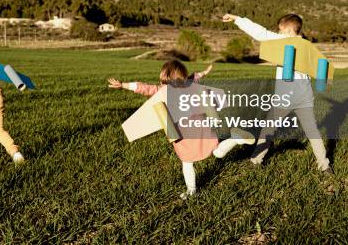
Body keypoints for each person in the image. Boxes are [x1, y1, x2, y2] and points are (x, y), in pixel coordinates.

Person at [109, 60, 254, 199]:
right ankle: (236, 138)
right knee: (216, 151)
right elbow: (194, 77)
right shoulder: (189, 85)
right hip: (202, 128)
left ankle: (191, 191)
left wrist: (123, 85)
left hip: (183, 134)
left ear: (164, 77)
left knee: (187, 162)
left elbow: (144, 88)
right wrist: (204, 72)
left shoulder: (163, 90)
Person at [222, 13, 332, 173]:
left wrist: (237, 19)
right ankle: (324, 166)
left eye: (280, 30)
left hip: (286, 95)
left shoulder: (283, 41)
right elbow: (321, 69)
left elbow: (261, 33)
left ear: (287, 30)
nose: (278, 33)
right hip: (304, 96)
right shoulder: (308, 46)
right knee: (312, 131)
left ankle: (255, 160)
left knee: (269, 129)